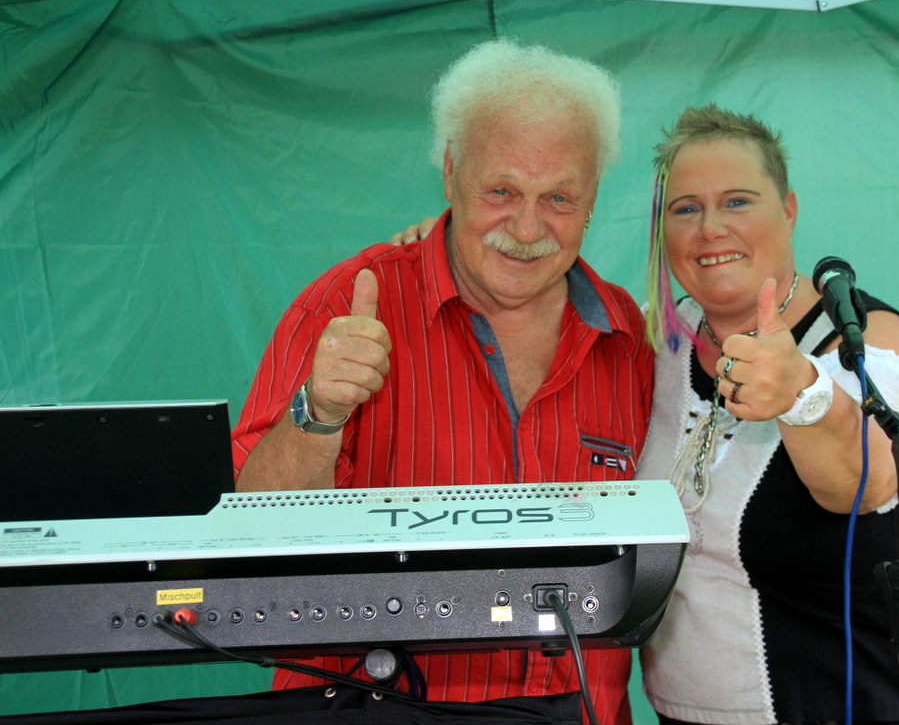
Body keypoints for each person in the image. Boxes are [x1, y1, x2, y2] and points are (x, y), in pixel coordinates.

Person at [231, 40, 655, 725]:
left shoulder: (625, 335)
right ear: (451, 171)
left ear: (594, 196)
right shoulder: (348, 304)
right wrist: (320, 412)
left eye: (558, 197)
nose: (527, 227)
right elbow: (248, 537)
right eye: (501, 191)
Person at [637, 105, 899, 725]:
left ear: (788, 210)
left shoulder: (865, 342)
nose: (710, 228)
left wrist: (803, 392)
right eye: (685, 209)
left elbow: (866, 484)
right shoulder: (660, 343)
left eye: (737, 201)